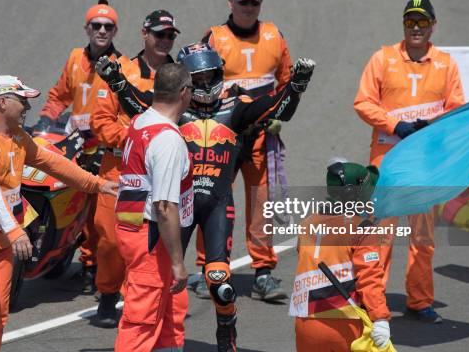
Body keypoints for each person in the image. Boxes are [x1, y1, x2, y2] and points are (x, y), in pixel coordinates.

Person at [97, 42, 315, 351]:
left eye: (210, 76)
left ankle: (226, 326)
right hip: (175, 209)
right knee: (167, 283)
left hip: (215, 205)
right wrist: (117, 83)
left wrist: (296, 84)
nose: (204, 84)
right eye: (196, 79)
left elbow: (277, 105)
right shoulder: (167, 114)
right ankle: (160, 340)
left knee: (218, 280)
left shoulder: (237, 106)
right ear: (185, 85)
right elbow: (137, 99)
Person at [0, 76, 116, 352]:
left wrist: (97, 184)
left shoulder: (19, 138)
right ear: (2, 102)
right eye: (22, 100)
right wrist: (15, 231)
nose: (27, 107)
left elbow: (55, 164)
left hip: (0, 242)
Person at [354, 0, 465, 323]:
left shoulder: (446, 64)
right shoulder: (382, 58)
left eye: (421, 22)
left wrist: (429, 131)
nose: (415, 28)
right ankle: (373, 304)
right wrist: (395, 125)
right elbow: (363, 102)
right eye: (410, 22)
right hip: (387, 161)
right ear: (403, 25)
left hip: (426, 164)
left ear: (433, 24)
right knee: (380, 237)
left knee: (422, 238)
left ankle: (419, 300)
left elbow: (456, 108)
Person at [201, 0, 294, 300]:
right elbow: (199, 84)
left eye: (253, 2)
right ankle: (208, 267)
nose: (248, 8)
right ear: (231, 3)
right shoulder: (215, 37)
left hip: (259, 138)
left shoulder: (273, 36)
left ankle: (264, 273)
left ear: (260, 4)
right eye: (243, 2)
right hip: (223, 136)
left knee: (260, 205)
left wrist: (277, 116)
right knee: (211, 200)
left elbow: (287, 81)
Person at [88, 10, 177, 327]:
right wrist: (138, 138)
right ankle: (108, 295)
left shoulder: (178, 75)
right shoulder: (119, 70)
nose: (165, 40)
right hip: (120, 169)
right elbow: (99, 122)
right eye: (159, 34)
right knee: (112, 241)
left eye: (170, 36)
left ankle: (144, 300)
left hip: (161, 173)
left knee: (155, 241)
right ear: (144, 34)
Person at [33, 0, 124, 293]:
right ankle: (78, 261)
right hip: (73, 145)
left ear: (115, 31)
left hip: (102, 147)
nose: (101, 30)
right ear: (86, 28)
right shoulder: (75, 58)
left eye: (107, 26)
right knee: (74, 208)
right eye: (96, 25)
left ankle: (92, 269)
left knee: (98, 215)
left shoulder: (122, 66)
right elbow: (59, 95)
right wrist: (44, 124)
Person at [113, 63, 193, 351]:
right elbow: (164, 206)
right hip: (151, 237)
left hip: (132, 228)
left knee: (171, 308)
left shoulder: (139, 122)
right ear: (184, 93)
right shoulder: (168, 139)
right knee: (142, 321)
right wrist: (177, 261)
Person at [291, 161, 392, 351]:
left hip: (305, 322)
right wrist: (380, 318)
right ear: (353, 193)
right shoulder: (362, 229)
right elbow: (369, 279)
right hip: (345, 323)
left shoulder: (307, 223)